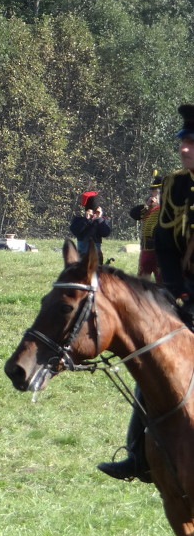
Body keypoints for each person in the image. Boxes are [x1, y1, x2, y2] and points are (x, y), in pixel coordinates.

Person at [99, 105, 194, 483]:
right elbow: (167, 244)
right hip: (182, 293)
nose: (184, 148)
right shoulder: (175, 185)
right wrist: (175, 294)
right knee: (153, 360)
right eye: (183, 142)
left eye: (191, 143)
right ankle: (138, 453)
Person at [129, 174, 163, 281]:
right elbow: (134, 214)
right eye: (152, 191)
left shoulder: (166, 208)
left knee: (162, 281)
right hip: (146, 249)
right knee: (142, 281)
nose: (152, 194)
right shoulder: (146, 208)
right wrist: (147, 206)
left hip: (160, 250)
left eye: (155, 192)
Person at [69, 191, 111, 263]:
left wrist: (99, 218)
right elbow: (75, 231)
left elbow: (106, 233)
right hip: (81, 254)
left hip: (96, 255)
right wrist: (86, 219)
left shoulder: (101, 221)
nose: (94, 214)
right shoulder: (79, 220)